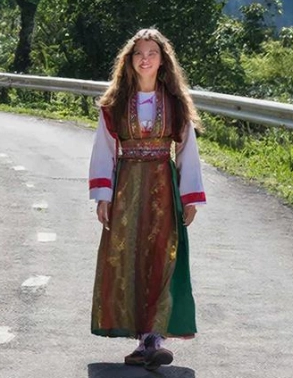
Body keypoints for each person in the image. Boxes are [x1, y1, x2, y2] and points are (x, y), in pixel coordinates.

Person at [88, 28, 206, 368]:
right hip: (126, 187)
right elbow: (104, 151)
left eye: (152, 53)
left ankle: (152, 337)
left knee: (162, 255)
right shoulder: (114, 104)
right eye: (139, 53)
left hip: (162, 187)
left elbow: (186, 150)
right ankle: (143, 339)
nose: (145, 59)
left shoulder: (175, 103)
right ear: (130, 60)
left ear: (162, 60)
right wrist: (103, 196)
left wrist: (190, 197)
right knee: (128, 258)